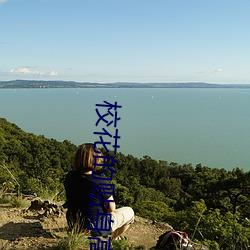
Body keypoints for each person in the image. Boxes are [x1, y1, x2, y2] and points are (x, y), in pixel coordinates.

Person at [64, 143, 134, 239]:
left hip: (74, 225)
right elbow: (111, 209)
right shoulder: (100, 181)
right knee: (130, 212)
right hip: (94, 228)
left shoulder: (70, 176)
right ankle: (111, 238)